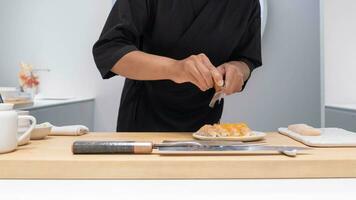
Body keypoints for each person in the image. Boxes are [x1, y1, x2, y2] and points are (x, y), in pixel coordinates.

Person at [93, 0, 262, 132]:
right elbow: (110, 50)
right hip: (144, 122)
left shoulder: (247, 4)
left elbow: (246, 58)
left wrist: (237, 69)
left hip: (206, 130)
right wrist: (175, 68)